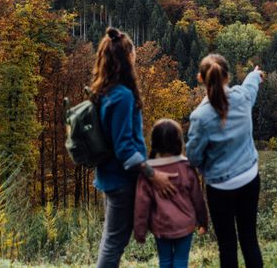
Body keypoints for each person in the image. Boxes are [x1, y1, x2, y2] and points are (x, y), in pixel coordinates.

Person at [91, 27, 177, 268]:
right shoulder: (122, 96)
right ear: (127, 57)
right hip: (121, 180)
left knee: (112, 240)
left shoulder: (104, 91)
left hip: (110, 175)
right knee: (114, 242)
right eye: (133, 52)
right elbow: (124, 148)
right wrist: (153, 174)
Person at [186, 54, 264, 268]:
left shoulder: (200, 117)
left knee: (227, 245)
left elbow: (193, 156)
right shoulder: (242, 98)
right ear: (228, 76)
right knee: (249, 239)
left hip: (220, 187)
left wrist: (204, 168)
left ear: (200, 78)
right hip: (249, 178)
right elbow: (250, 86)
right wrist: (255, 75)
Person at [134, 119, 208, 268]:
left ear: (154, 142)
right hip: (185, 224)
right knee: (181, 261)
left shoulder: (148, 173)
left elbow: (142, 204)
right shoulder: (186, 167)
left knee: (165, 261)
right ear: (178, 141)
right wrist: (203, 221)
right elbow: (198, 198)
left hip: (161, 226)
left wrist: (140, 230)